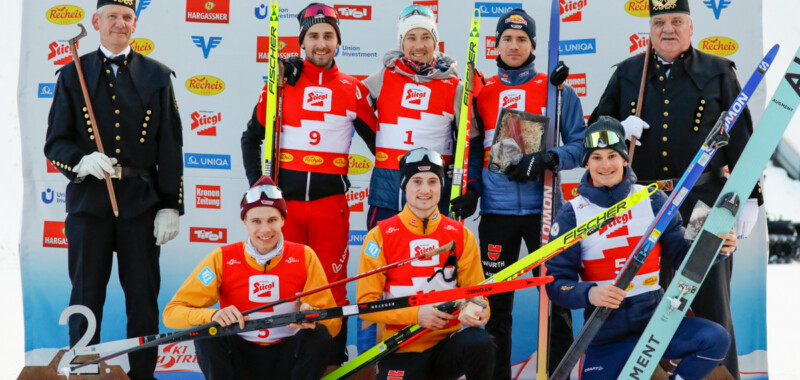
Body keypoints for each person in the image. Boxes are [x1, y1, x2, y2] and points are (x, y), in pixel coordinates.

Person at [588, 0, 762, 376]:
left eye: (677, 21)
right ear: (650, 28)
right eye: (660, 22)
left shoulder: (718, 72)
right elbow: (595, 131)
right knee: (644, 302)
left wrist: (750, 196)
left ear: (691, 27)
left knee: (712, 298)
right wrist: (618, 126)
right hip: (646, 207)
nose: (668, 29)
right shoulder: (629, 73)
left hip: (704, 203)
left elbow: (742, 138)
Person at [43, 1, 183, 378]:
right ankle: (82, 372)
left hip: (141, 204)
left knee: (143, 301)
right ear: (96, 22)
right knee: (86, 299)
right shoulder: (73, 74)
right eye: (112, 16)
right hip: (89, 204)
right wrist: (80, 160)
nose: (119, 23)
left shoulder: (157, 75)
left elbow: (170, 147)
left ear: (134, 24)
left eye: (126, 17)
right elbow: (55, 143)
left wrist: (171, 205)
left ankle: (143, 375)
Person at [545, 117, 738, 379]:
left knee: (714, 338)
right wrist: (590, 293)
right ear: (586, 163)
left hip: (655, 325)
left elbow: (683, 253)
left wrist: (717, 248)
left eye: (612, 155)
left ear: (625, 159)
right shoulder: (572, 214)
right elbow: (556, 284)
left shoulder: (651, 198)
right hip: (606, 334)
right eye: (597, 157)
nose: (605, 165)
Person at [448, 8, 585, 378]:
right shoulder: (481, 91)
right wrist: (473, 188)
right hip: (497, 212)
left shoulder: (557, 90)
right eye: (507, 38)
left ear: (533, 45)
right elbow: (472, 147)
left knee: (555, 302)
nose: (513, 45)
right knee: (494, 306)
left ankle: (558, 373)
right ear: (495, 44)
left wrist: (546, 159)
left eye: (521, 39)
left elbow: (581, 146)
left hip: (545, 211)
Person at [240, 2, 377, 367]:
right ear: (302, 42)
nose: (321, 43)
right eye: (313, 36)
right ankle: (287, 364)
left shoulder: (353, 90)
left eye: (328, 36)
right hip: (286, 209)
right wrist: (260, 189)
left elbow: (384, 146)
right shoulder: (281, 84)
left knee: (330, 289)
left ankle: (333, 364)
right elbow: (249, 138)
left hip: (330, 207)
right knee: (288, 285)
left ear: (338, 42)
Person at [163, 176, 340, 380]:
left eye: (272, 220)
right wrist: (212, 316)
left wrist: (314, 316)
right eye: (256, 221)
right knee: (208, 334)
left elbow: (333, 325)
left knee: (319, 335)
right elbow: (171, 314)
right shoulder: (222, 258)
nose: (265, 230)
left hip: (287, 358)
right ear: (244, 222)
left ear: (283, 219)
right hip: (240, 359)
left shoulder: (304, 256)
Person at [356, 148, 495, 380]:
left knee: (481, 343)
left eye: (433, 181)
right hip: (401, 344)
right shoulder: (380, 235)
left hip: (447, 344)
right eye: (417, 181)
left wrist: (480, 312)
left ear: (441, 186)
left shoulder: (461, 235)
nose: (425, 190)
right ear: (404, 186)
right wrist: (416, 314)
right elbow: (366, 305)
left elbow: (478, 295)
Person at [362, 4, 462, 228]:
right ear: (402, 42)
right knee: (382, 261)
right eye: (411, 37)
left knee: (430, 262)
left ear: (435, 41)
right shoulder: (383, 78)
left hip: (432, 199)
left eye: (426, 37)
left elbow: (469, 141)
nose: (419, 45)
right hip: (387, 195)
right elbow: (345, 99)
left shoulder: (454, 87)